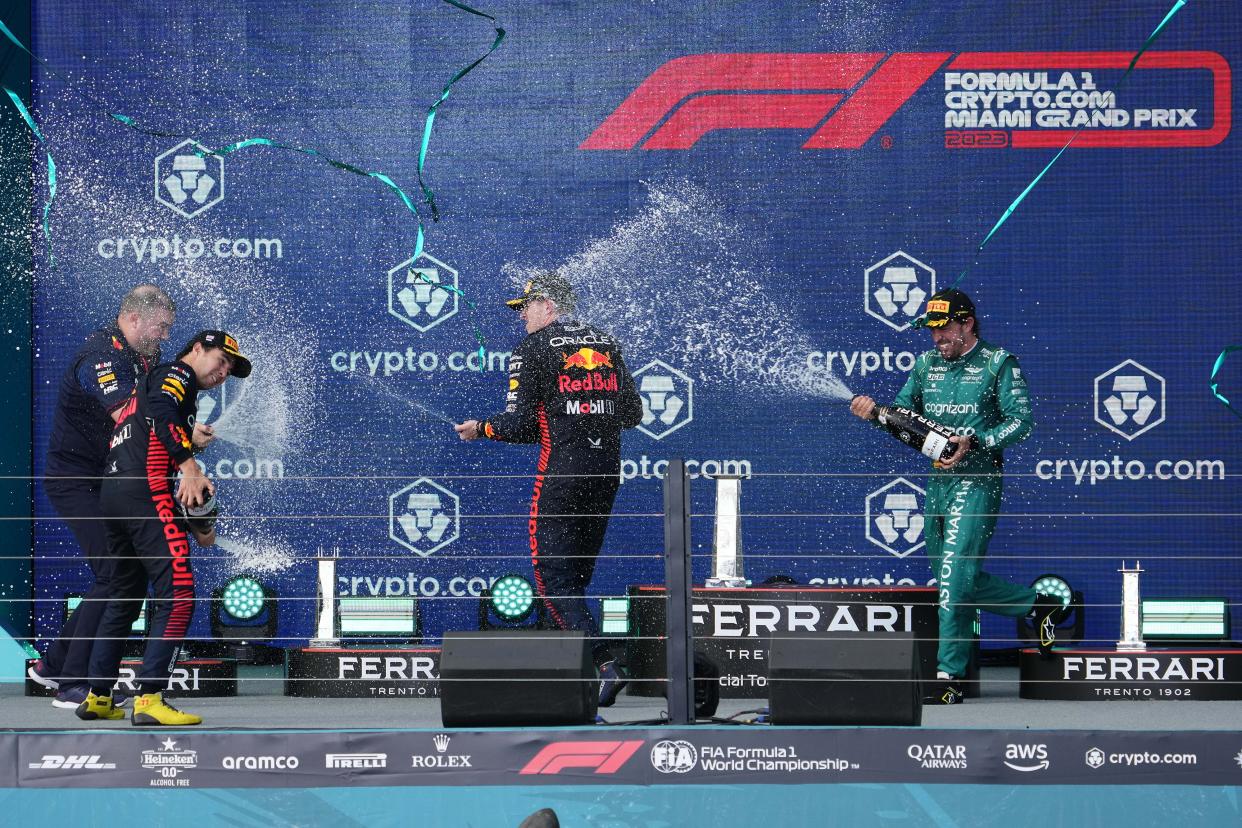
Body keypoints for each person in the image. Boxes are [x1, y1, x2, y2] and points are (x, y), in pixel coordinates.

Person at [850, 289, 1063, 705]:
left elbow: (1022, 423)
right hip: (939, 482)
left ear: (967, 323)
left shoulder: (999, 362)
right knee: (955, 579)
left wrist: (976, 440)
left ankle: (949, 677)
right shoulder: (926, 364)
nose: (937, 339)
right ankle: (1037, 605)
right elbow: (904, 418)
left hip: (979, 479)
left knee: (952, 579)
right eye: (931, 331)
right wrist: (875, 414)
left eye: (944, 329)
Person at [454, 271, 642, 707]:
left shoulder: (531, 349)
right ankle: (581, 679)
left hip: (561, 473)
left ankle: (604, 666)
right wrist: (586, 412)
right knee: (575, 578)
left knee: (553, 579)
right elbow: (631, 413)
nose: (521, 317)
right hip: (605, 472)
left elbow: (520, 425)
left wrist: (481, 428)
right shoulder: (605, 340)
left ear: (548, 306)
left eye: (525, 308)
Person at [30, 285, 216, 709]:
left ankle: (53, 665)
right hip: (77, 481)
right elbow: (128, 419)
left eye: (170, 329)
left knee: (120, 575)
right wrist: (187, 446)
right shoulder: (103, 357)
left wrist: (185, 437)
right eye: (161, 327)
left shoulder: (144, 359)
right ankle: (71, 684)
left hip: (112, 479)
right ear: (134, 319)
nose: (166, 336)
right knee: (116, 575)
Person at [76, 331, 251, 725]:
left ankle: (99, 695)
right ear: (197, 349)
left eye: (230, 370)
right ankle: (150, 698)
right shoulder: (177, 373)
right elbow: (161, 408)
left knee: (125, 594)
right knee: (179, 592)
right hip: (145, 491)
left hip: (115, 494)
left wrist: (189, 442)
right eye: (221, 360)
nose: (223, 372)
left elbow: (150, 423)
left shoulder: (159, 381)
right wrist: (189, 466)